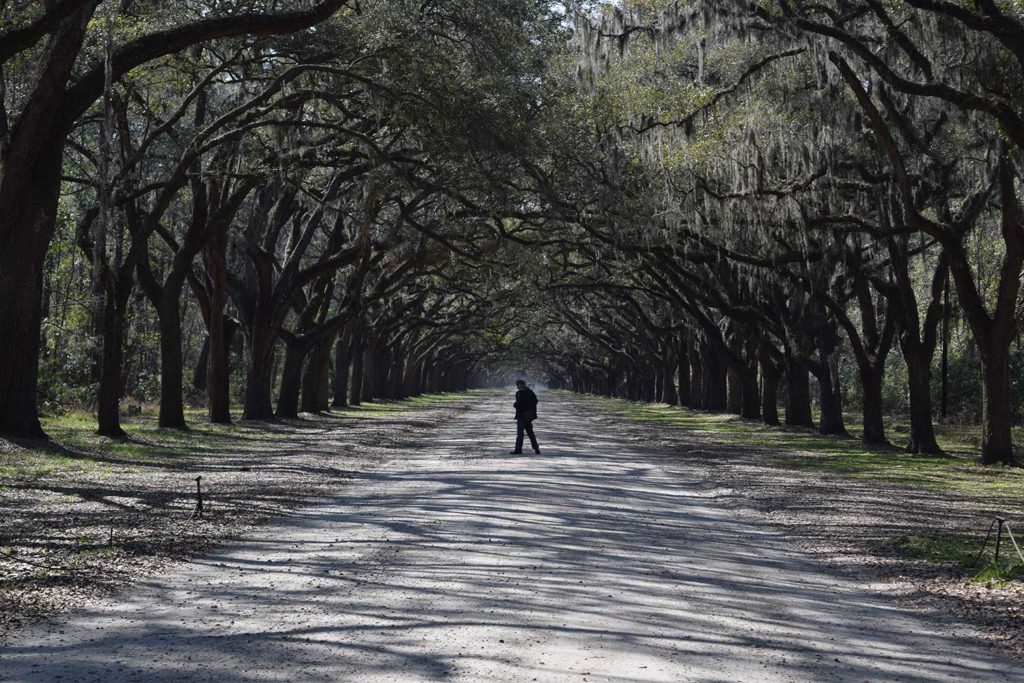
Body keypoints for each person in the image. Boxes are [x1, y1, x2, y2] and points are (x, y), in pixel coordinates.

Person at [511, 379, 540, 454]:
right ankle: (536, 448)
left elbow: (517, 404)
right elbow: (535, 401)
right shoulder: (530, 392)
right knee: (530, 433)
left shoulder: (519, 393)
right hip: (529, 416)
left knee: (520, 433)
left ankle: (518, 449)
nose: (517, 387)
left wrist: (516, 406)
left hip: (521, 415)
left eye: (517, 385)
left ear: (521, 385)